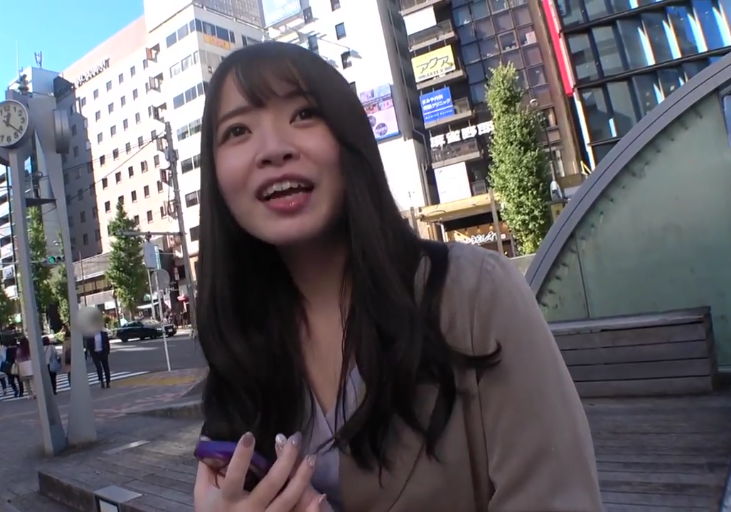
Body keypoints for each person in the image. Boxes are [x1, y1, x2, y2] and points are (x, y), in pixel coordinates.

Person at [192, 42, 602, 512]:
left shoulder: (475, 292)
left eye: (304, 114)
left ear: (350, 137)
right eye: (238, 130)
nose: (273, 149)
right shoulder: (237, 343)